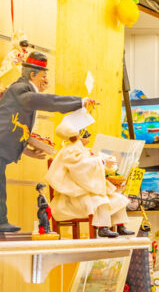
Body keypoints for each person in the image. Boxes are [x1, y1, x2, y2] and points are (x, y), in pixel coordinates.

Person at [0, 52, 95, 233]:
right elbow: (47, 101)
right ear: (32, 75)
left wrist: (25, 148)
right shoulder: (21, 89)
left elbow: (11, 123)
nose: (46, 80)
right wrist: (79, 102)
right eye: (43, 76)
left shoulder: (19, 90)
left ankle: (1, 220)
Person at [45, 122, 131, 238]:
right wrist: (102, 162)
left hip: (85, 189)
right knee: (99, 201)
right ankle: (102, 227)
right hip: (73, 194)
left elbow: (94, 158)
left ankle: (120, 226)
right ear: (80, 136)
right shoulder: (70, 151)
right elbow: (81, 167)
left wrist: (107, 160)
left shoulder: (82, 149)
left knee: (118, 198)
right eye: (87, 135)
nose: (89, 137)